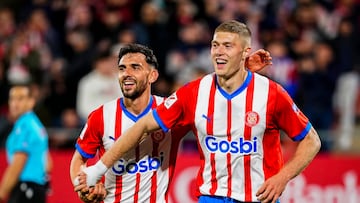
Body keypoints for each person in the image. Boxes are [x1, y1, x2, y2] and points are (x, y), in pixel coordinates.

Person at [77, 20, 321, 203]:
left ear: (245, 51)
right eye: (215, 45)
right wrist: (98, 169)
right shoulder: (194, 93)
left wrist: (283, 177)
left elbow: (311, 141)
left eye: (228, 46)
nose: (218, 51)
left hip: (259, 197)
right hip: (211, 197)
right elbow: (142, 126)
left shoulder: (271, 93)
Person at [70, 43, 272, 203]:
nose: (127, 73)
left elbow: (207, 95)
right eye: (122, 68)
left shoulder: (170, 111)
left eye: (135, 67)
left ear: (153, 75)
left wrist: (240, 69)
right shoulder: (101, 116)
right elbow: (78, 160)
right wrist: (84, 189)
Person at [0, 84, 51, 203]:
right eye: (12, 98)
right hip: (36, 189)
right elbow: (48, 163)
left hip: (25, 188)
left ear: (31, 102)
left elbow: (18, 163)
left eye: (20, 98)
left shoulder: (24, 126)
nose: (15, 103)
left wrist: (2, 193)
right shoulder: (36, 125)